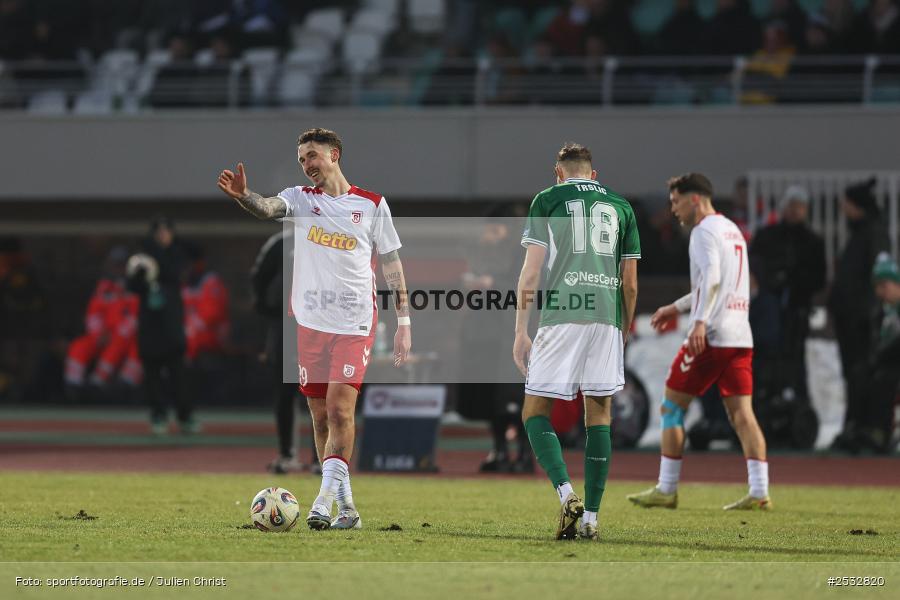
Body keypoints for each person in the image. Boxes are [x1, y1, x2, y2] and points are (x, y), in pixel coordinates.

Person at [217, 127, 410, 531]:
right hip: (309, 325)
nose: (307, 165)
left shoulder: (372, 205)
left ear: (334, 154)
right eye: (302, 159)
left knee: (341, 410)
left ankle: (321, 502)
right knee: (320, 420)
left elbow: (392, 264)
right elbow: (268, 208)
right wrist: (244, 198)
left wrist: (404, 321)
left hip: (355, 322)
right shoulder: (300, 200)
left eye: (313, 156)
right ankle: (348, 509)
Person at [513, 142, 640, 541]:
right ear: (593, 174)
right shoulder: (621, 206)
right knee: (599, 415)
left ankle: (567, 494)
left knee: (534, 411)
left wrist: (520, 330)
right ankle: (592, 518)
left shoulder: (548, 199)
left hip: (562, 313)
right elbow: (632, 284)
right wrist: (625, 327)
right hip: (605, 316)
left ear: (559, 172)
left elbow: (531, 273)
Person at [627, 173, 771, 511]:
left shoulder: (702, 232)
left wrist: (700, 323)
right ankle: (759, 490)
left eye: (676, 201)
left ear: (694, 199)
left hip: (713, 336)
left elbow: (714, 281)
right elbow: (712, 283)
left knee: (672, 406)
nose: (673, 209)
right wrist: (675, 307)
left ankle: (666, 488)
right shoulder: (732, 229)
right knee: (742, 415)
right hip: (739, 335)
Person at [749, 185, 826, 404]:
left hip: (796, 311)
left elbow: (818, 278)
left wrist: (793, 283)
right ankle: (764, 402)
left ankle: (797, 405)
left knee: (794, 361)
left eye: (800, 206)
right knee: (764, 358)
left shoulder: (812, 242)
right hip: (767, 310)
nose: (795, 211)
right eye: (791, 205)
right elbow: (753, 266)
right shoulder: (767, 237)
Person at [829, 179, 890, 451]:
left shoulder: (872, 233)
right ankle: (856, 425)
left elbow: (876, 277)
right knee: (855, 373)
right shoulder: (862, 233)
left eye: (847, 204)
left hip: (861, 319)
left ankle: (864, 427)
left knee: (861, 372)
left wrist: (867, 310)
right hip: (851, 317)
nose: (843, 209)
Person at [250, 228, 314, 474]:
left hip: (320, 326)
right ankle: (288, 454)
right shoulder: (280, 243)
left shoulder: (332, 240)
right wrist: (271, 313)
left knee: (319, 394)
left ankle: (322, 459)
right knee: (285, 393)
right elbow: (259, 278)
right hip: (285, 328)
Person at [127, 216, 194, 435]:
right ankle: (158, 417)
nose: (163, 235)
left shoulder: (176, 254)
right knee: (153, 377)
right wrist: (143, 270)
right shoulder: (142, 257)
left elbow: (175, 274)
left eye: (167, 231)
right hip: (150, 328)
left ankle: (185, 417)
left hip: (172, 326)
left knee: (179, 376)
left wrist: (155, 264)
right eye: (159, 231)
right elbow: (132, 284)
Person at [850, 254, 900, 454]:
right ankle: (860, 428)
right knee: (860, 374)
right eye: (877, 287)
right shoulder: (880, 313)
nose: (880, 292)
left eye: (885, 285)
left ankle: (880, 433)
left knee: (884, 381)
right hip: (886, 365)